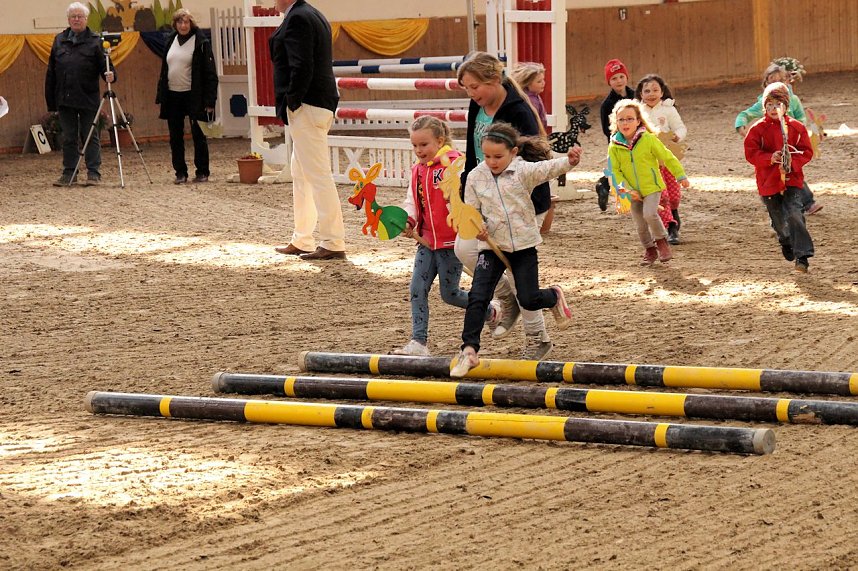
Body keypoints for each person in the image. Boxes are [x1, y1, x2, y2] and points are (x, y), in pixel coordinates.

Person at [450, 123, 582, 377]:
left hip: (523, 246)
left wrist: (570, 162)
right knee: (478, 295)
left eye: (498, 156)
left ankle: (553, 296)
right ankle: (468, 350)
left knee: (528, 298)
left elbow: (547, 169)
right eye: (487, 156)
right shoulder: (476, 177)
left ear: (513, 152)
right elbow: (471, 210)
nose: (492, 162)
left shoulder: (523, 171)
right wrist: (479, 227)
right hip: (491, 247)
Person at [456, 51, 554, 361]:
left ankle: (537, 337)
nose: (471, 94)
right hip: (486, 199)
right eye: (467, 89)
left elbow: (536, 162)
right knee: (464, 248)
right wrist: (465, 192)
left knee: (519, 271)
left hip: (521, 203)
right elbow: (473, 154)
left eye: (475, 87)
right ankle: (506, 300)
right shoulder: (478, 104)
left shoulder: (518, 110)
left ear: (495, 80)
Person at [391, 117, 499, 356]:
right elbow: (412, 201)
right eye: (415, 146)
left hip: (452, 243)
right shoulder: (417, 172)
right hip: (427, 242)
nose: (419, 151)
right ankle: (418, 342)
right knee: (417, 289)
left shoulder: (456, 167)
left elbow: (467, 199)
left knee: (449, 295)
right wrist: (409, 221)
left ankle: (490, 311)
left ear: (440, 141)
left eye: (424, 145)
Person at [270, 0, 346, 261]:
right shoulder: (311, 13)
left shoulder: (299, 18)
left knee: (317, 175)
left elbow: (301, 65)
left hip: (307, 105)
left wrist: (292, 99)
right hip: (316, 104)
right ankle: (303, 238)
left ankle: (333, 241)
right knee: (301, 173)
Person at [607, 99, 689, 265]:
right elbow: (615, 171)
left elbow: (667, 157)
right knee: (640, 225)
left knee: (650, 214)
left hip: (652, 187)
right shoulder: (614, 146)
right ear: (616, 122)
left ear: (638, 121)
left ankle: (662, 242)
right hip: (632, 192)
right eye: (621, 119)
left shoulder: (648, 139)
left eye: (630, 118)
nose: (625, 122)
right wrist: (626, 190)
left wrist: (681, 175)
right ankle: (650, 250)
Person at [744, 82, 814, 273]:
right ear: (764, 106)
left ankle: (803, 256)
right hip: (769, 182)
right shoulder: (757, 129)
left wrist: (793, 162)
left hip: (793, 180)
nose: (774, 109)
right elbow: (751, 153)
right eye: (769, 105)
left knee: (794, 213)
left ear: (786, 106)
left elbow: (807, 151)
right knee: (779, 221)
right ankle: (785, 239)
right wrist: (769, 158)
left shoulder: (797, 128)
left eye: (778, 104)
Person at [735, 62, 823, 215]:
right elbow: (746, 114)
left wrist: (798, 131)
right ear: (766, 83)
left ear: (787, 81)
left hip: (791, 144)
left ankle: (808, 203)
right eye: (772, 79)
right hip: (772, 145)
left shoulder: (793, 100)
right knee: (771, 173)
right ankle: (769, 199)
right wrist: (741, 124)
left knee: (793, 172)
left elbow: (801, 117)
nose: (776, 82)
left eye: (780, 79)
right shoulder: (764, 102)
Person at [45, 2, 115, 187]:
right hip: (65, 98)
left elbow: (106, 67)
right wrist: (51, 101)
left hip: (87, 97)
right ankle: (70, 173)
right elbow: (51, 71)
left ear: (86, 19)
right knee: (68, 137)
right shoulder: (59, 40)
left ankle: (94, 173)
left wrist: (110, 75)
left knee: (90, 135)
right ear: (68, 19)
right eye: (73, 16)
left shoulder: (95, 40)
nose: (76, 19)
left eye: (80, 16)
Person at [155, 9, 218, 184]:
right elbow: (164, 69)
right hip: (173, 95)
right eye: (180, 22)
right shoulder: (170, 40)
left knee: (198, 135)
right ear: (175, 24)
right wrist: (161, 93)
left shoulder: (201, 42)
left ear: (191, 24)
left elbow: (210, 74)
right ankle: (180, 172)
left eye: (186, 22)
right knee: (175, 136)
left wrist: (209, 101)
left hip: (194, 96)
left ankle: (202, 171)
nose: (183, 25)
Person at [635, 74, 687, 244]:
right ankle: (670, 227)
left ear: (662, 91)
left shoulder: (669, 109)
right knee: (661, 195)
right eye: (647, 91)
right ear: (640, 94)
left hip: (668, 157)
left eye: (655, 90)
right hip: (649, 162)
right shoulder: (637, 112)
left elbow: (680, 127)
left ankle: (674, 212)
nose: (651, 94)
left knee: (673, 195)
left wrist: (676, 137)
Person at [596, 59, 634, 211]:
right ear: (609, 82)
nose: (618, 81)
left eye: (621, 76)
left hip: (637, 138)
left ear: (626, 77)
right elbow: (606, 129)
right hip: (619, 141)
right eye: (614, 78)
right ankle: (604, 185)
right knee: (621, 169)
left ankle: (604, 185)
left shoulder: (636, 95)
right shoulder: (607, 104)